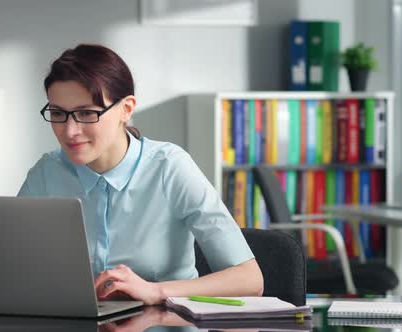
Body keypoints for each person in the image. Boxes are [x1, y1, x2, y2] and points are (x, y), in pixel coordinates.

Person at [18, 44, 263, 305]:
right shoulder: (47, 172)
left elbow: (249, 280)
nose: (69, 131)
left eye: (86, 113)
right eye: (58, 113)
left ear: (126, 108)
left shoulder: (170, 167)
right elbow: (9, 265)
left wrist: (155, 291)